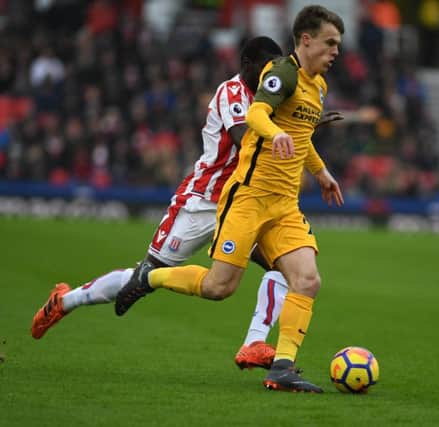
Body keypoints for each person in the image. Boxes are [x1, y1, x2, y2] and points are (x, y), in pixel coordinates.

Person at [30, 36, 342, 370]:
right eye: (265, 68)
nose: (271, 73)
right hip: (204, 202)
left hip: (249, 203)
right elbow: (243, 138)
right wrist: (293, 126)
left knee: (287, 269)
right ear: (247, 64)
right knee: (147, 272)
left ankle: (254, 343)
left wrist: (304, 124)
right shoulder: (232, 93)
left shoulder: (280, 95)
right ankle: (65, 300)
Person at [115, 5, 345, 393]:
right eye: (330, 42)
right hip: (248, 198)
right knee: (219, 288)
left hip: (285, 205)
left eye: (338, 44)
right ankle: (148, 276)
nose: (336, 51)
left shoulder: (318, 86)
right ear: (306, 40)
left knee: (306, 279)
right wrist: (275, 134)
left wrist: (320, 172)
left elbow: (302, 137)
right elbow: (256, 115)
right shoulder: (282, 74)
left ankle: (283, 367)